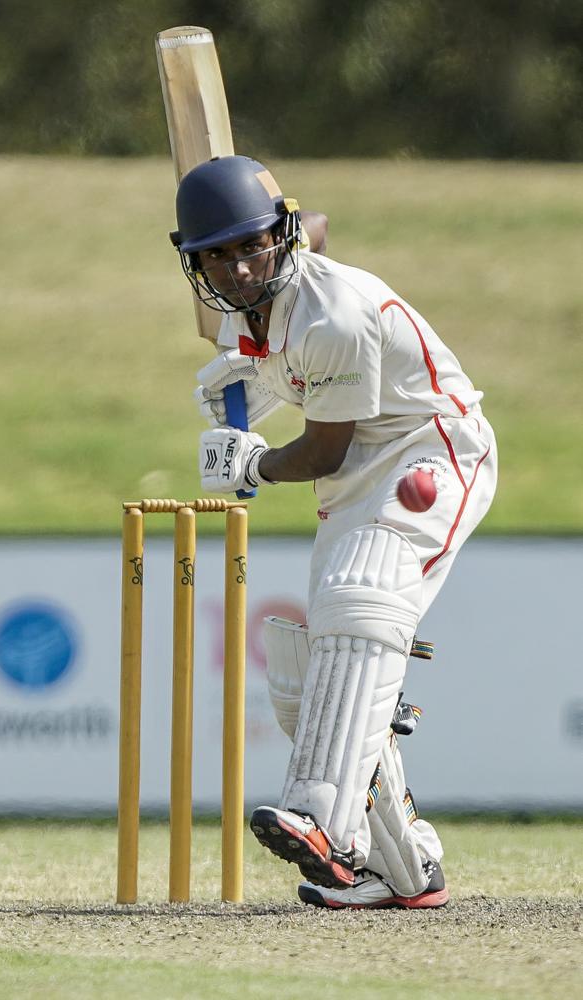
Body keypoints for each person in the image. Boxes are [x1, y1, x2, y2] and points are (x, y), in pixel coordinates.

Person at [170, 154, 497, 910]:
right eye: (217, 255)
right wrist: (244, 377)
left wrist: (251, 464)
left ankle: (323, 821)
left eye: (252, 247)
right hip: (355, 482)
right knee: (303, 681)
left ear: (276, 239)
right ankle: (403, 870)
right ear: (195, 261)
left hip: (429, 448)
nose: (240, 269)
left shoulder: (335, 313)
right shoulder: (251, 286)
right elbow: (309, 227)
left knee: (360, 599)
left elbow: (325, 449)